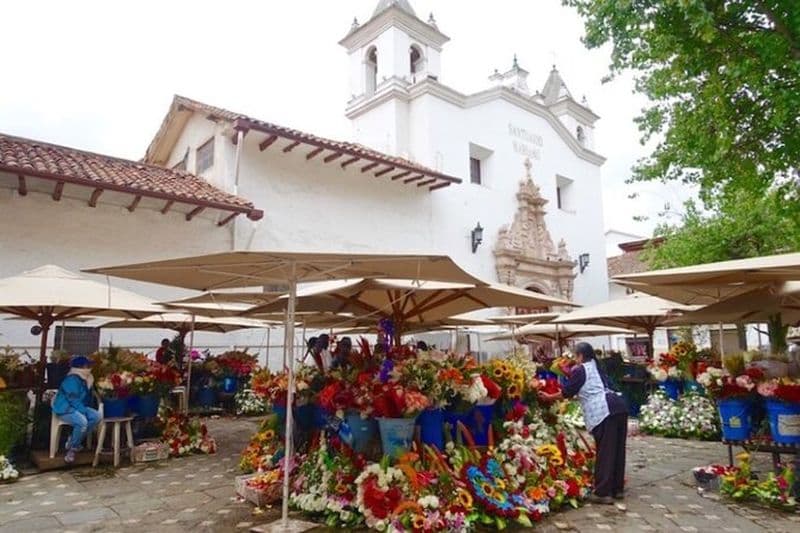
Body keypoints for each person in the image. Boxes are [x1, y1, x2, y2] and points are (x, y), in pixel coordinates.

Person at [538, 342, 628, 504]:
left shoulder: (580, 369)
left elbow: (568, 392)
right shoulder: (597, 367)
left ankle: (602, 492)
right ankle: (617, 489)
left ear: (580, 356)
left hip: (604, 409)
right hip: (619, 405)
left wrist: (548, 397)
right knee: (617, 449)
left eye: (574, 356)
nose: (573, 359)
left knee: (606, 451)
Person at [52, 356, 103, 463]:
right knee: (82, 422)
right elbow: (72, 398)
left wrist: (85, 410)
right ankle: (72, 449)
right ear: (80, 367)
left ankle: (73, 440)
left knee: (97, 416)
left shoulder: (86, 378)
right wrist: (83, 411)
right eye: (87, 365)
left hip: (78, 407)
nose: (89, 367)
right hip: (65, 408)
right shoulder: (72, 379)